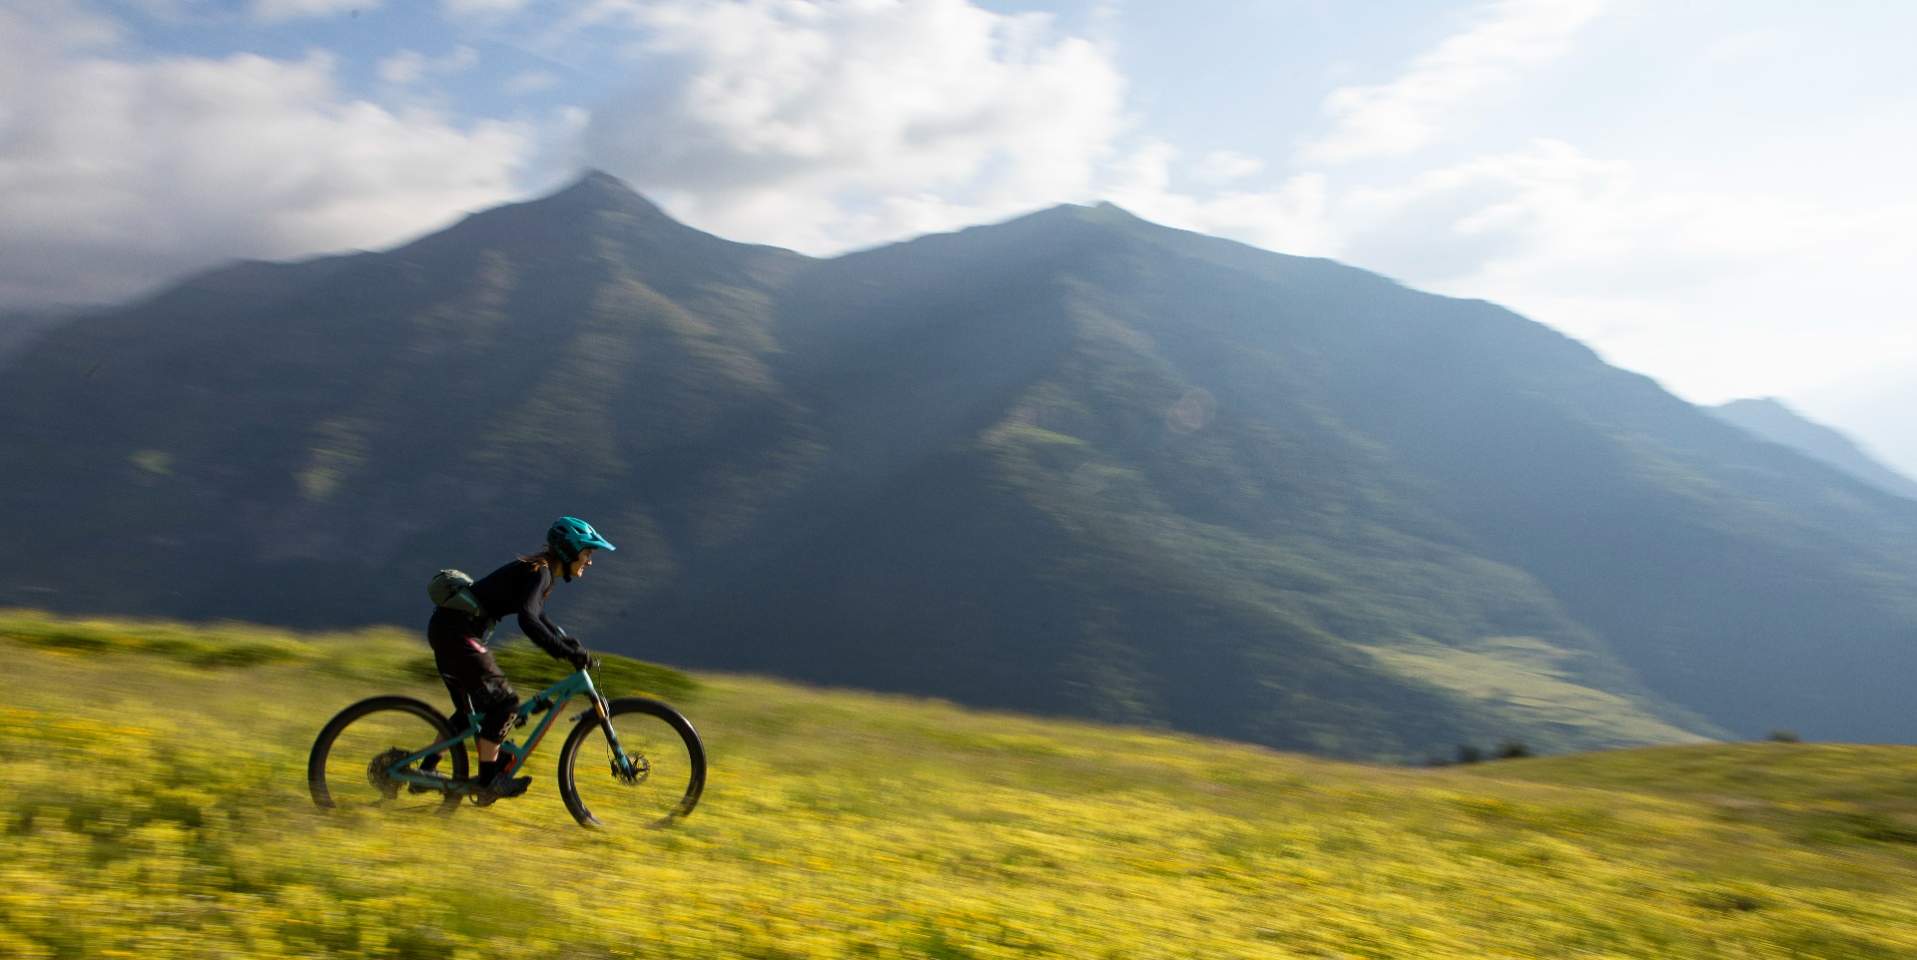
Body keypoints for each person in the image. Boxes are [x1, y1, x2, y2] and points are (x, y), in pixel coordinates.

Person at [425, 516, 615, 799]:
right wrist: (562, 651)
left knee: (472, 711)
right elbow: (528, 619)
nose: (589, 560)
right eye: (587, 553)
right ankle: (489, 781)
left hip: (449, 629)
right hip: (458, 633)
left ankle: (426, 771)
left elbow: (539, 616)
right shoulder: (540, 572)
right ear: (569, 550)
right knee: (506, 703)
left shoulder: (539, 571)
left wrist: (567, 643)